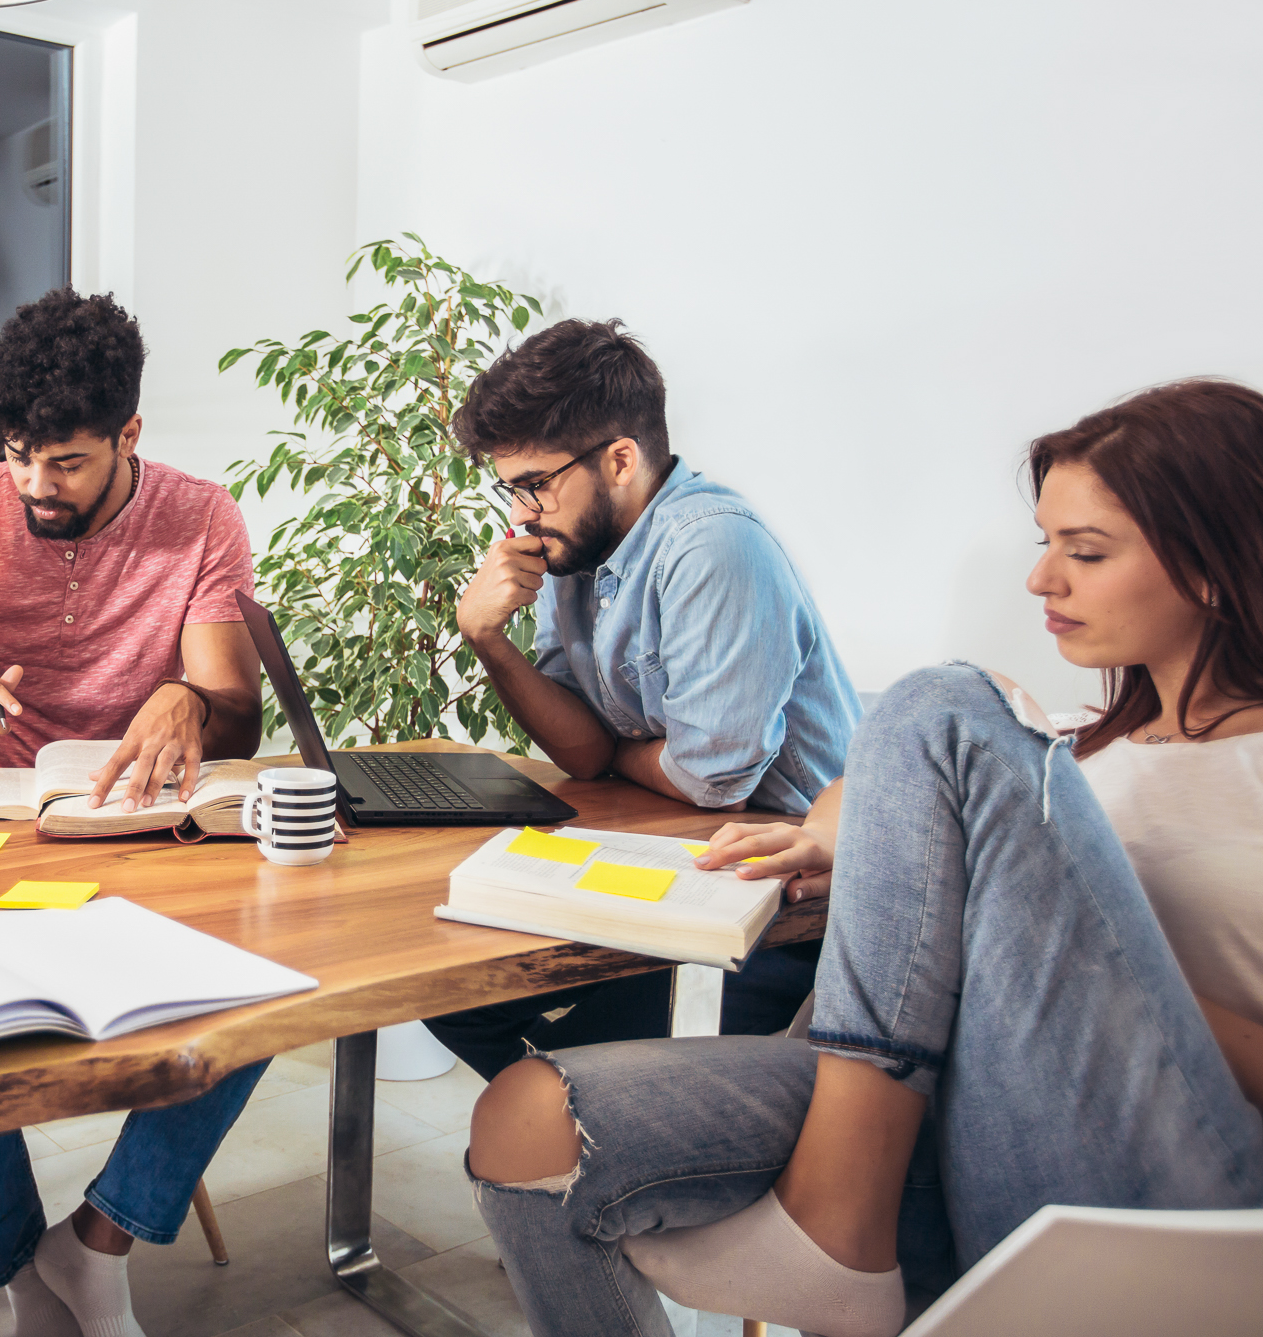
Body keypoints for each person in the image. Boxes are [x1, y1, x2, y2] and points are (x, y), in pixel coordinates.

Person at [465, 378, 1263, 1337]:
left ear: (1216, 564)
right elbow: (857, 785)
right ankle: (844, 1208)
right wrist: (862, 841)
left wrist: (1052, 947)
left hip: (1176, 1169)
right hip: (948, 1095)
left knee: (947, 702)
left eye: (1085, 551)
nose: (1041, 580)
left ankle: (836, 1221)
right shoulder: (1080, 743)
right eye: (1046, 542)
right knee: (528, 1118)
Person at [0, 288, 267, 1337]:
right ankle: (14, 1276)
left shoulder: (200, 518)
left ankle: (98, 1244)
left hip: (140, 828)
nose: (33, 486)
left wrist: (189, 696)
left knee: (264, 993)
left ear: (128, 433)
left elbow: (236, 716)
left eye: (65, 463)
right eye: (16, 456)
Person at [429, 319, 860, 1079]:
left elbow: (710, 777)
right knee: (442, 974)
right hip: (674, 848)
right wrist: (487, 639)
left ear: (620, 459)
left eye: (535, 483)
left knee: (571, 1069)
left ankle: (578, 1099)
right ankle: (565, 1090)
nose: (522, 512)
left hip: (785, 900)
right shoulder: (570, 552)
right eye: (511, 486)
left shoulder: (712, 546)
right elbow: (581, 751)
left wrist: (615, 756)